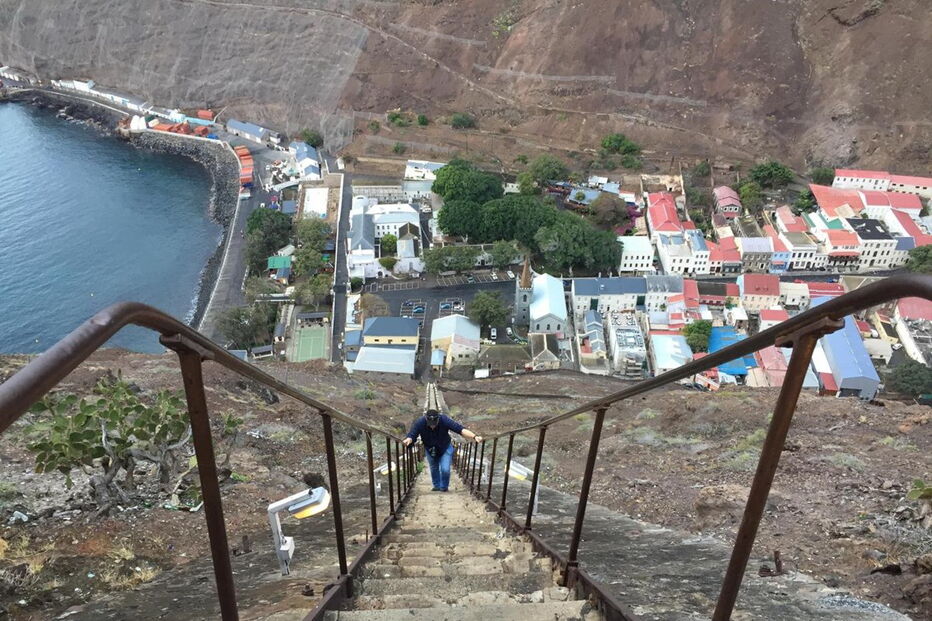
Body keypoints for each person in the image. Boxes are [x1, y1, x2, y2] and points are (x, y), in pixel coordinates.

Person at [402, 409, 482, 492]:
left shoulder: (444, 420)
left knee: (445, 469)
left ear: (438, 419)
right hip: (430, 448)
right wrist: (409, 439)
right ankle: (437, 486)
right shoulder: (420, 422)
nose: (432, 426)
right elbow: (412, 434)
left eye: (434, 424)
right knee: (434, 467)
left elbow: (460, 429)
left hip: (445, 447)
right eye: (430, 424)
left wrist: (474, 436)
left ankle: (444, 487)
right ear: (426, 419)